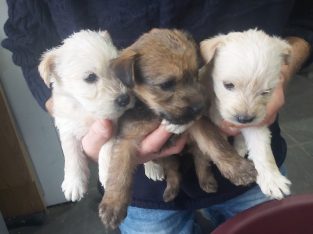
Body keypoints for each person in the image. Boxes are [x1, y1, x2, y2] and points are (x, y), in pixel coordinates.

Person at [2, 0, 312, 233]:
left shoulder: (194, 90)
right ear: (127, 75)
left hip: (250, 162)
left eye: (193, 76)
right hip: (143, 192)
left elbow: (305, 15)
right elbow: (27, 39)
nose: (191, 97)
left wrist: (275, 79)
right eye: (167, 86)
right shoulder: (126, 83)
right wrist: (73, 116)